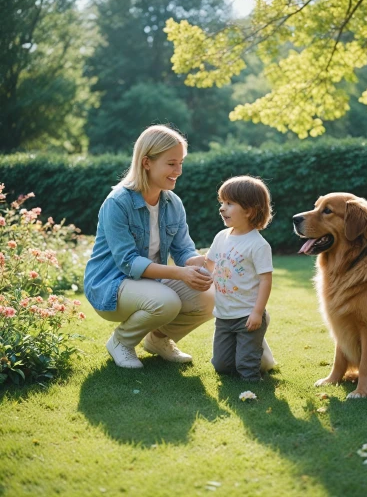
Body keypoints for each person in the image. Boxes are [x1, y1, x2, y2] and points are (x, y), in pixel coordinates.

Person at [84, 125, 214, 369]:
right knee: (167, 301)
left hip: (149, 284)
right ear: (147, 162)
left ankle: (158, 340)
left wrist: (203, 262)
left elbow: (184, 250)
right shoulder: (118, 203)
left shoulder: (172, 202)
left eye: (181, 163)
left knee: (209, 297)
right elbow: (128, 263)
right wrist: (179, 273)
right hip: (110, 284)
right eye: (172, 163)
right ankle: (121, 342)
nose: (179, 171)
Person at [187, 176, 275, 382]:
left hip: (247, 315)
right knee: (222, 366)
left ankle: (254, 373)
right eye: (221, 203)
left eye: (229, 203)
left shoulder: (258, 245)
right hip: (224, 315)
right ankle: (254, 352)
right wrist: (196, 261)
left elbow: (265, 281)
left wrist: (257, 312)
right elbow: (211, 262)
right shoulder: (221, 237)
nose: (222, 208)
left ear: (249, 210)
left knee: (246, 369)